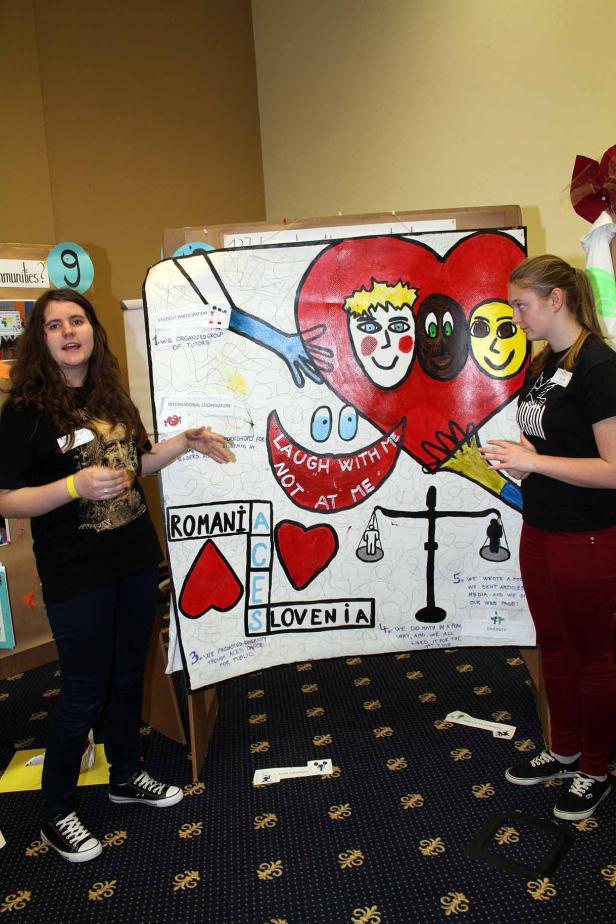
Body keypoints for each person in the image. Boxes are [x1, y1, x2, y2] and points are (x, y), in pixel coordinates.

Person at [0, 288, 232, 862]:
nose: (68, 332)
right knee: (84, 689)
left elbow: (137, 463)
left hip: (132, 558)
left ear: (93, 331)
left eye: (76, 321)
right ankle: (56, 810)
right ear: (41, 340)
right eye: (54, 326)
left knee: (131, 676)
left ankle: (126, 775)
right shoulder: (25, 411)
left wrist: (184, 443)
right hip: (76, 571)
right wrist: (73, 486)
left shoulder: (111, 395)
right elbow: (7, 500)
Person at [480, 255, 616, 821]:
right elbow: (553, 445)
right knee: (552, 647)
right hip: (541, 526)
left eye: (521, 305)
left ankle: (595, 769)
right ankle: (564, 750)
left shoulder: (600, 368)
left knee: (592, 656)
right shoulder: (545, 362)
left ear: (556, 300)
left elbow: (612, 469)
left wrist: (540, 462)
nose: (514, 317)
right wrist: (526, 461)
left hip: (587, 535)